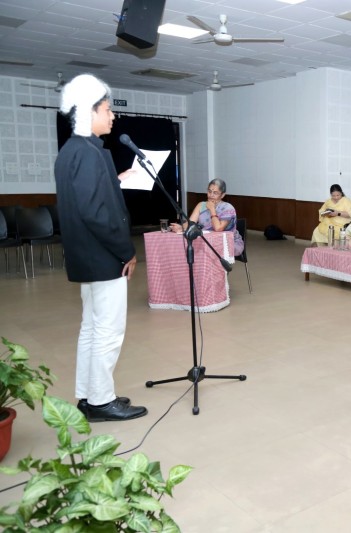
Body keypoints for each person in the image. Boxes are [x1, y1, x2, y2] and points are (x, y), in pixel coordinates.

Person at [54, 74, 148, 422]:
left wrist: (116, 180)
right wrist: (126, 251)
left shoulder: (71, 151)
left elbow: (86, 198)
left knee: (91, 329)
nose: (112, 116)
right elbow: (95, 213)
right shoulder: (90, 153)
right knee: (108, 331)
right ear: (88, 111)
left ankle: (89, 395)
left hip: (85, 257)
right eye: (107, 110)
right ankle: (102, 401)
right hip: (104, 257)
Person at [170, 178, 244, 256]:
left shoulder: (228, 208)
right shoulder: (201, 205)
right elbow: (191, 223)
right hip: (206, 240)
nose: (211, 195)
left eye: (215, 193)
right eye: (209, 191)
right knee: (184, 247)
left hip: (228, 242)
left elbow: (218, 228)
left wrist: (212, 209)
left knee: (202, 250)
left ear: (222, 195)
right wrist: (181, 227)